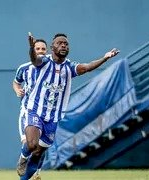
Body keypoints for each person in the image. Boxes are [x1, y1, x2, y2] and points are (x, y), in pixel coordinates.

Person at [17, 32, 119, 180]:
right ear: (52, 47)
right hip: (36, 110)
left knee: (39, 152)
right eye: (60, 43)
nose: (63, 45)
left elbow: (87, 67)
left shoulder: (69, 67)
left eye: (66, 43)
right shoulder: (44, 62)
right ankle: (23, 157)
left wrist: (105, 57)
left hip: (53, 116)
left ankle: (25, 179)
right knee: (31, 144)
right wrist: (31, 48)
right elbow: (34, 60)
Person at [13, 39, 48, 180]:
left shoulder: (51, 67)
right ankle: (23, 162)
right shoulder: (24, 68)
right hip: (28, 111)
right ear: (33, 50)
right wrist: (17, 90)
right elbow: (16, 82)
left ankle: (36, 173)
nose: (40, 51)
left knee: (41, 147)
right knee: (30, 144)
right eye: (37, 48)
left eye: (43, 49)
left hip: (45, 114)